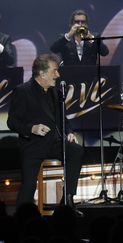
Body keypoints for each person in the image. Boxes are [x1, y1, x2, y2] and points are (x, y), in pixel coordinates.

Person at [7, 54, 83, 215]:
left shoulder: (55, 92)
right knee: (29, 185)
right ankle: (21, 217)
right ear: (42, 74)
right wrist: (32, 128)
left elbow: (63, 119)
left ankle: (68, 201)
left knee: (75, 150)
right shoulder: (23, 91)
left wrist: (69, 132)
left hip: (54, 143)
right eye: (54, 71)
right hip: (32, 146)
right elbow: (12, 122)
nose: (58, 75)